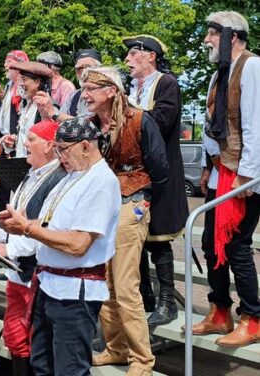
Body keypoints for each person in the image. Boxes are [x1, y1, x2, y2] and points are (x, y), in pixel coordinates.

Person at [0, 116, 120, 376]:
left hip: (74, 291)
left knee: (69, 370)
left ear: (86, 146)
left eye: (63, 149)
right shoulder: (72, 175)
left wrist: (27, 228)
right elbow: (50, 221)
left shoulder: (101, 181)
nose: (59, 156)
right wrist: (20, 223)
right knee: (42, 364)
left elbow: (78, 244)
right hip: (49, 285)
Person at [81, 67, 169, 375]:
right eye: (84, 88)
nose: (85, 94)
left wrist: (143, 201)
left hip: (131, 203)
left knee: (126, 285)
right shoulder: (91, 126)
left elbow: (160, 169)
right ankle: (116, 349)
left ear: (110, 91)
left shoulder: (140, 120)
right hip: (101, 208)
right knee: (104, 282)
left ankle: (142, 360)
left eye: (91, 88)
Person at [192, 11, 260, 347]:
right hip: (221, 171)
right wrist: (208, 166)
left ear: (232, 34)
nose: (206, 40)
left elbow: (255, 126)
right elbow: (213, 127)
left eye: (212, 33)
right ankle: (220, 312)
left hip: (244, 176)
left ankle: (253, 318)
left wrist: (246, 176)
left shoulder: (253, 67)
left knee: (237, 246)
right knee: (209, 244)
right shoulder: (218, 74)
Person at [0, 119, 66, 375]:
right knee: (15, 336)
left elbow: (47, 227)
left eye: (31, 139)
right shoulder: (29, 176)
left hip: (36, 274)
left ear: (50, 145)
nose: (25, 144)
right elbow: (11, 215)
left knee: (37, 341)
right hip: (17, 272)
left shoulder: (60, 179)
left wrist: (10, 249)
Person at [123, 34, 189, 326]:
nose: (127, 60)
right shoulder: (131, 88)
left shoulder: (166, 84)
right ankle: (145, 295)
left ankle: (167, 301)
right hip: (133, 174)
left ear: (149, 56)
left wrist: (127, 113)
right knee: (134, 234)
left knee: (158, 239)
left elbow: (161, 121)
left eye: (132, 54)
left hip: (160, 173)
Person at [1, 62, 53, 157]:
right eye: (20, 80)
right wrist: (15, 141)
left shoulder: (47, 107)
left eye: (23, 80)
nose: (20, 84)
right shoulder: (27, 105)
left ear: (37, 83)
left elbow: (46, 141)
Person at [0, 50, 29, 156]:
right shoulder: (9, 86)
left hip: (17, 141)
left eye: (9, 62)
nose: (5, 65)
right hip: (6, 139)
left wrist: (15, 137)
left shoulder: (23, 88)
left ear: (18, 66)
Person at [59, 48, 102, 118]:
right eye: (80, 68)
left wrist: (53, 113)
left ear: (100, 69)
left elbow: (85, 122)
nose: (84, 72)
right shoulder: (74, 95)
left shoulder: (104, 93)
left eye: (89, 67)